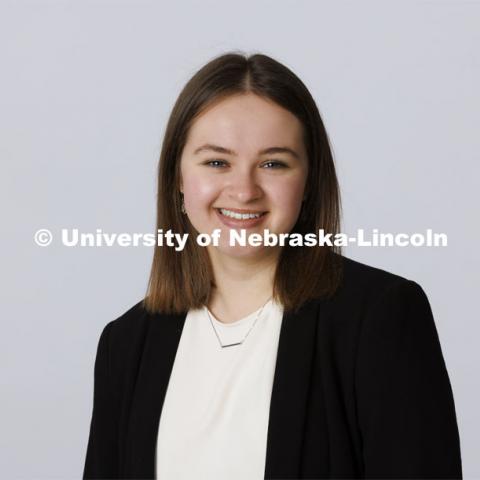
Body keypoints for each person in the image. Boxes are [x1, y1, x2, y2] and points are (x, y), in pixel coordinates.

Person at [82, 52, 462, 479]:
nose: (244, 190)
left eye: (273, 163)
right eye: (216, 162)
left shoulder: (380, 317)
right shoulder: (126, 344)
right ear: (178, 181)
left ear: (308, 184)